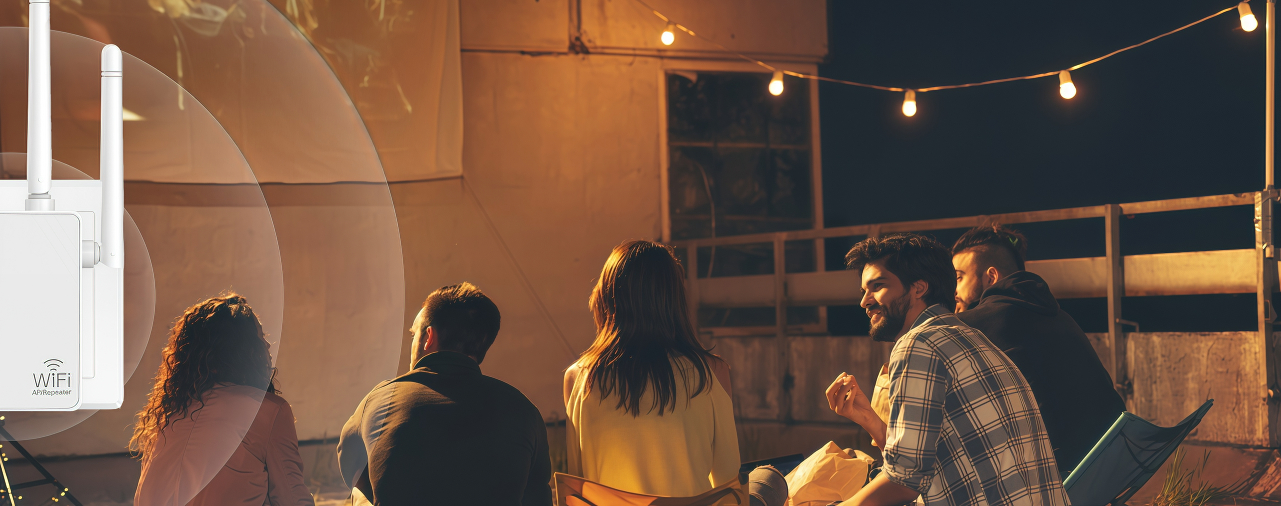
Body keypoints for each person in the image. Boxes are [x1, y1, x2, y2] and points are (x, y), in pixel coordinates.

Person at [827, 233, 1069, 506]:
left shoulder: (918, 345)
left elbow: (903, 482)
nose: (865, 301)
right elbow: (926, 462)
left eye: (877, 286)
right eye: (863, 291)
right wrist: (870, 420)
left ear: (918, 288)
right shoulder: (970, 338)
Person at [565, 240, 783, 504]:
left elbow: (576, 492)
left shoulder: (578, 378)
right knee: (769, 479)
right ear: (674, 300)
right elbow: (730, 487)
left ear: (607, 297)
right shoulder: (711, 372)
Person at [338, 282, 552, 506]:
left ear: (429, 337)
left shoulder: (380, 399)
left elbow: (349, 461)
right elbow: (538, 497)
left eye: (414, 334)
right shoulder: (523, 410)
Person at [952, 223, 1126, 475]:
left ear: (991, 277)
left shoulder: (975, 325)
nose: (954, 290)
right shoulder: (1058, 314)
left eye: (959, 277)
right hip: (1112, 462)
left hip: (1054, 477)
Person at [132, 292, 315, 506]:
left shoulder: (169, 415)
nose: (267, 345)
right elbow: (292, 499)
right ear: (243, 350)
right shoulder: (267, 411)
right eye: (260, 337)